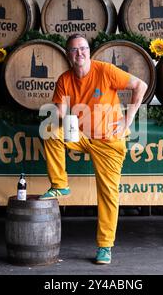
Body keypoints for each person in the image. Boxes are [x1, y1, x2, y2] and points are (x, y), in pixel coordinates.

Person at [39, 33, 148, 264]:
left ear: (89, 51)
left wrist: (127, 120)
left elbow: (141, 85)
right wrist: (53, 115)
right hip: (81, 135)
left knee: (108, 194)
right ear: (68, 55)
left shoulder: (105, 71)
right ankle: (60, 185)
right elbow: (59, 111)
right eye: (75, 50)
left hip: (109, 140)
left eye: (84, 49)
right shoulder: (64, 79)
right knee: (49, 131)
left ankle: (105, 246)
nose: (80, 53)